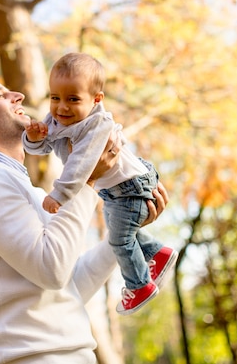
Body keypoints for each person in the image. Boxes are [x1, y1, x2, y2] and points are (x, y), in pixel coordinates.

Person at [0, 71, 168, 364]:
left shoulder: (29, 191)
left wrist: (124, 229)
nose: (17, 96)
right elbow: (52, 270)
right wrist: (86, 180)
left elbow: (67, 287)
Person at [22, 52, 178, 316]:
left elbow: (81, 164)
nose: (61, 107)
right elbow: (42, 148)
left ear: (96, 100)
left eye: (73, 99)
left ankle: (139, 285)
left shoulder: (97, 125)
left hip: (132, 188)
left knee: (119, 241)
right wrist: (34, 139)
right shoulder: (59, 119)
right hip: (116, 191)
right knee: (121, 233)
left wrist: (60, 194)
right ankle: (155, 252)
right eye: (55, 98)